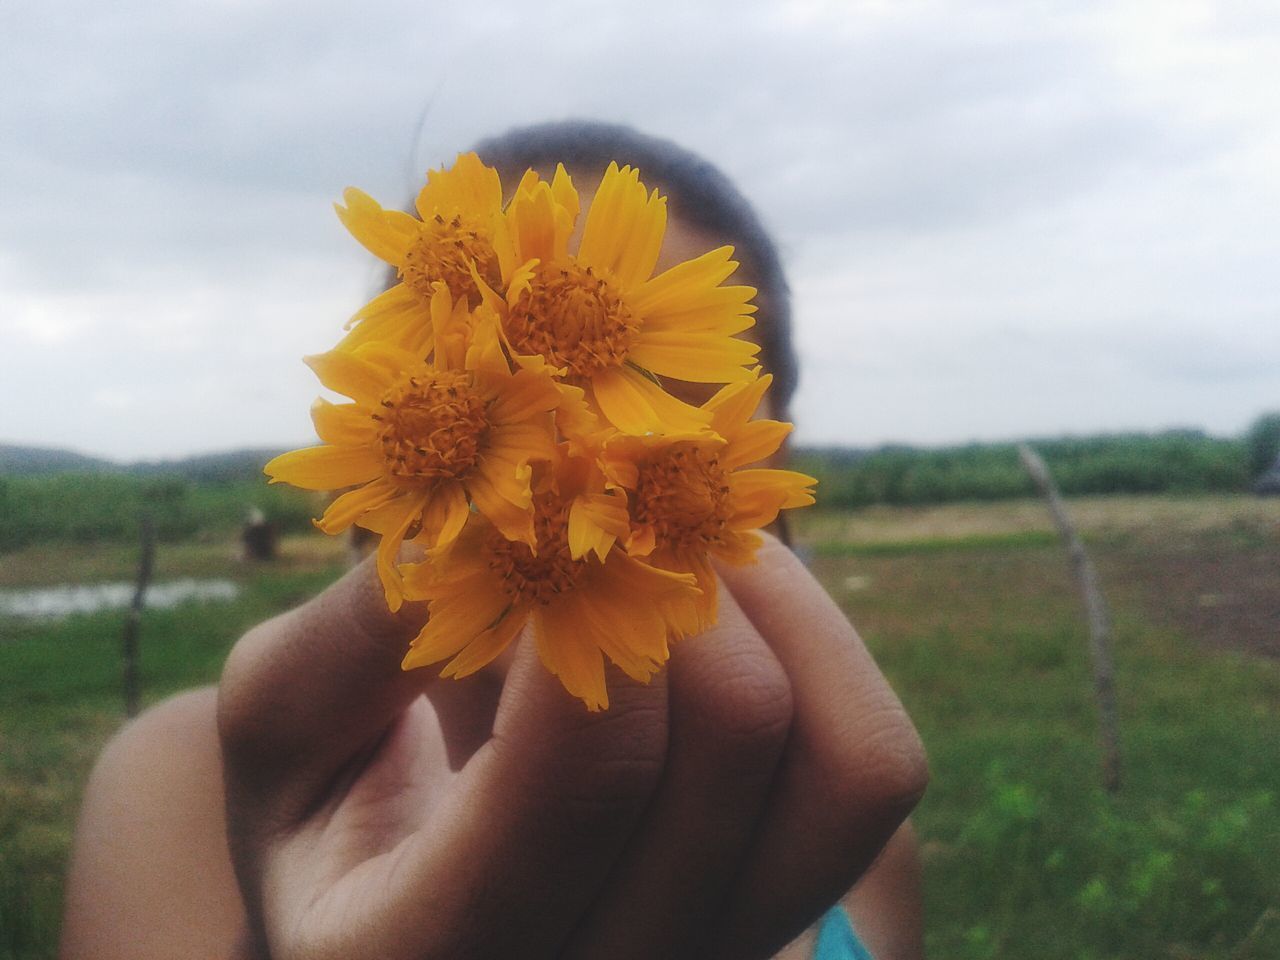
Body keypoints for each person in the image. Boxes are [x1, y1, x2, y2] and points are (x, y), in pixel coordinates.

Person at [59, 121, 928, 960]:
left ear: (765, 470)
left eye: (670, 408)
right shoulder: (181, 785)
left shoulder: (857, 844)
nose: (572, 464)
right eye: (489, 381)